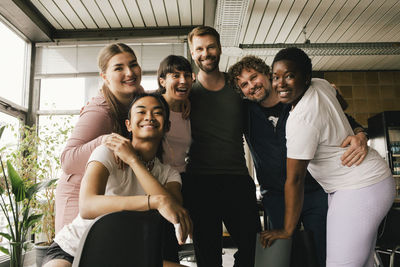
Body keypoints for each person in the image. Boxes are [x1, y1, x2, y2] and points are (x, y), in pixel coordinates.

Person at [228, 55, 369, 267]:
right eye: (244, 85)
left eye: (254, 77)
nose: (251, 86)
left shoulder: (301, 99)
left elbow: (343, 117)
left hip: (316, 190)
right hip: (276, 197)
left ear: (268, 74)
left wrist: (360, 134)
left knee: (326, 250)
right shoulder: (245, 112)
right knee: (284, 255)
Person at [263, 47, 395, 267]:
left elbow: (295, 180)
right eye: (276, 77)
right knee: (362, 262)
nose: (280, 84)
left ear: (305, 78)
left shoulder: (301, 120)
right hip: (364, 183)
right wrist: (352, 130)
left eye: (289, 76)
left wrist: (287, 230)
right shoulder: (320, 84)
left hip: (360, 187)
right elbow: (342, 104)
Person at [43, 93, 193, 267]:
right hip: (73, 250)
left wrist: (134, 161)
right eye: (142, 112)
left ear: (167, 126)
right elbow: (87, 206)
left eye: (157, 112)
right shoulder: (106, 152)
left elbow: (173, 209)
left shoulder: (169, 174)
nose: (149, 117)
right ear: (128, 125)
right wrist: (154, 201)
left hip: (127, 256)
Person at [184, 26, 260, 267]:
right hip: (199, 182)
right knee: (208, 257)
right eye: (199, 49)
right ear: (192, 52)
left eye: (211, 47)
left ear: (219, 48)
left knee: (253, 249)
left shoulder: (238, 86)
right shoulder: (186, 93)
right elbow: (152, 105)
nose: (206, 53)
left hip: (236, 178)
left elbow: (271, 99)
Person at [55, 43, 144, 233]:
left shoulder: (137, 96)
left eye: (133, 64)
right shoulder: (99, 112)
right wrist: (105, 141)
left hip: (106, 192)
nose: (129, 72)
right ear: (104, 77)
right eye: (119, 68)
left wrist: (177, 101)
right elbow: (67, 161)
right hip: (77, 195)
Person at [156, 55, 194, 262]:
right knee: (164, 243)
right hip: (156, 181)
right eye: (175, 75)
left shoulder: (191, 108)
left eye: (187, 75)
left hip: (182, 177)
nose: (182, 80)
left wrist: (187, 100)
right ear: (162, 81)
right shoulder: (153, 105)